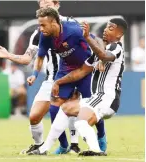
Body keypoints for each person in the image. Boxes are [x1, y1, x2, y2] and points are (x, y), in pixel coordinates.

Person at [0, 0, 82, 154]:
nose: (45, 8)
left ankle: (74, 144)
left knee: (71, 109)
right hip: (52, 78)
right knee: (34, 116)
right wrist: (8, 56)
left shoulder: (72, 24)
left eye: (48, 5)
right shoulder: (39, 32)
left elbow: (84, 47)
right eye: (42, 6)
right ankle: (40, 146)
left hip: (72, 76)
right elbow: (29, 58)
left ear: (57, 5)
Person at [28, 18, 127, 156]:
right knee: (65, 109)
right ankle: (44, 149)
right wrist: (58, 82)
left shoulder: (116, 47)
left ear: (119, 35)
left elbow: (104, 54)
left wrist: (87, 37)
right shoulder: (97, 55)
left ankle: (96, 150)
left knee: (81, 122)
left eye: (111, 28)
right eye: (106, 27)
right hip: (98, 98)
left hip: (106, 98)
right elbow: (81, 71)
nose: (105, 30)